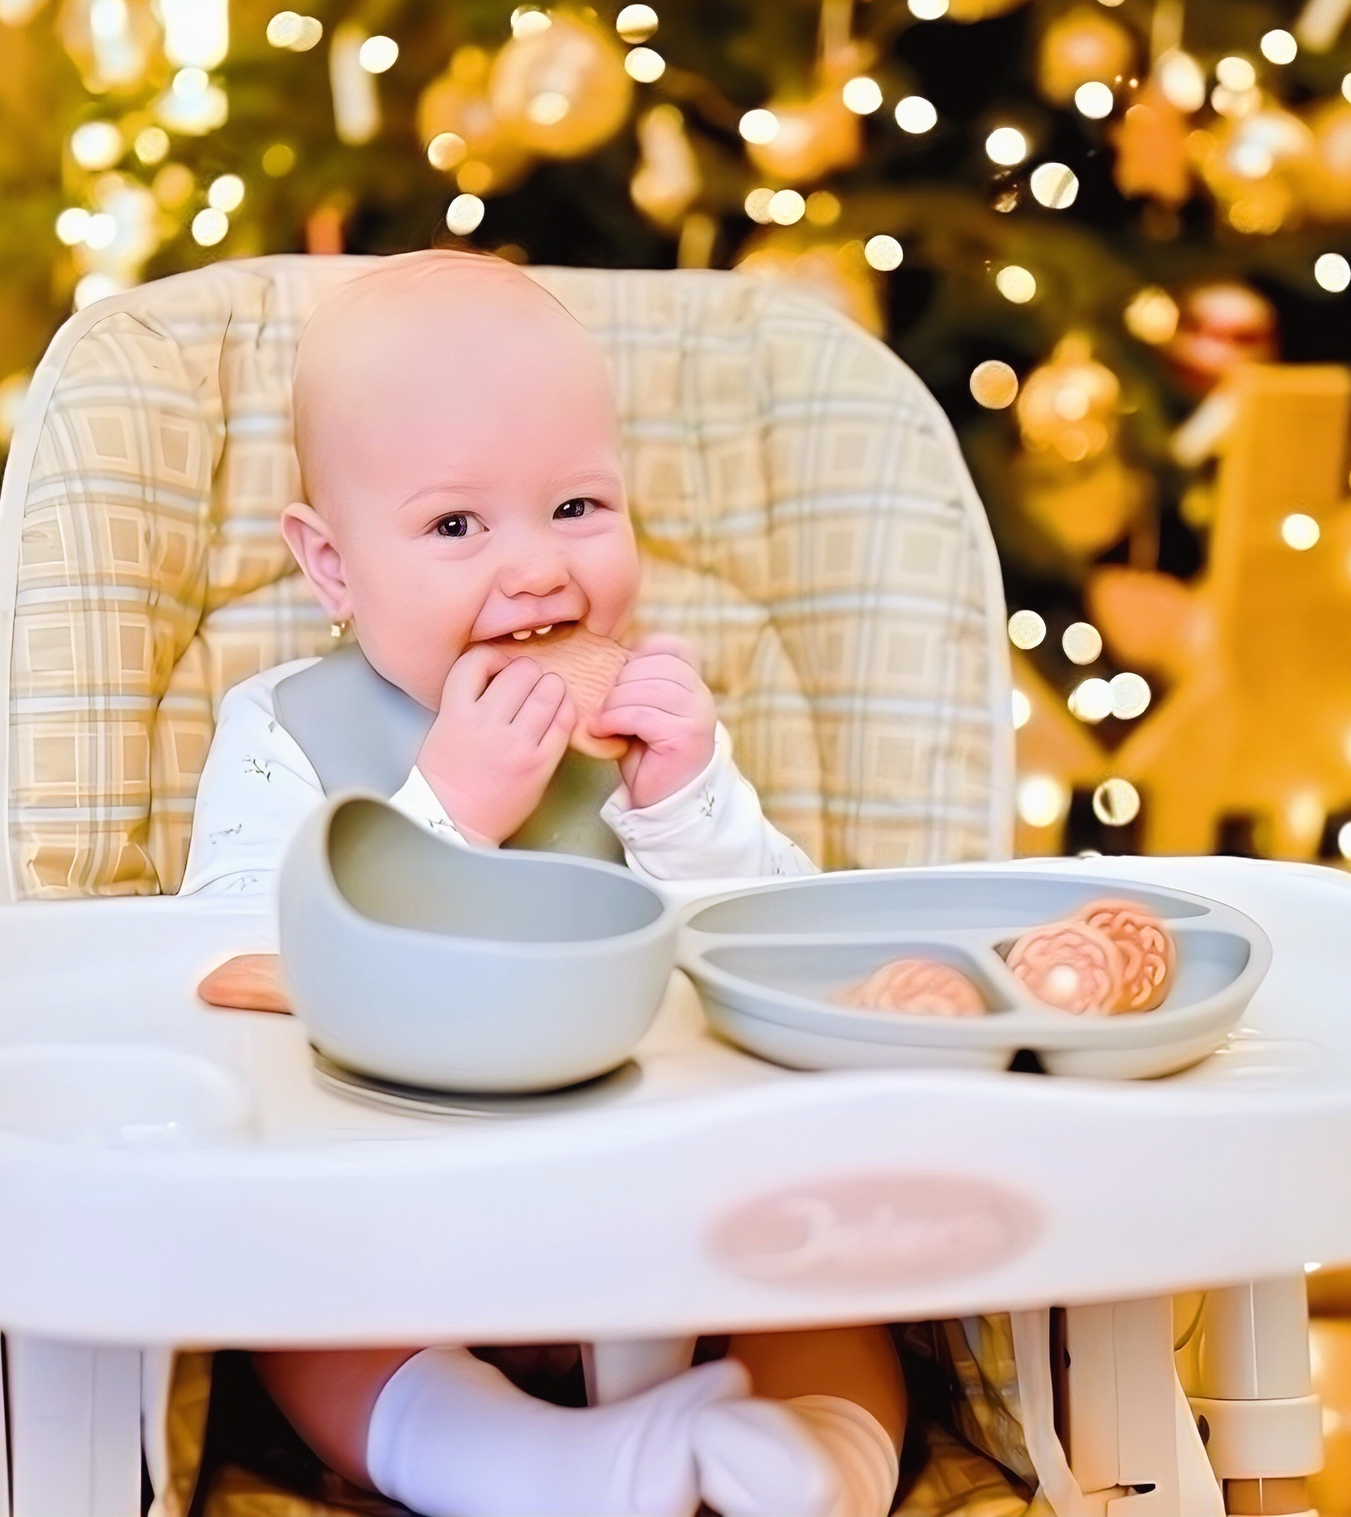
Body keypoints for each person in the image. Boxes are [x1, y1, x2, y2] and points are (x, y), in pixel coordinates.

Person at [180, 249, 905, 1517]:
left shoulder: (641, 734)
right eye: (456, 526)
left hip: (682, 1209)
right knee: (302, 1326)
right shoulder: (282, 731)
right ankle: (538, 1471)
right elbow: (242, 968)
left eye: (576, 509)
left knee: (833, 1301)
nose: (535, 571)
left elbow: (777, 943)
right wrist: (445, 817)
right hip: (404, 1225)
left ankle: (818, 1461)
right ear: (333, 565)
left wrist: (687, 804)